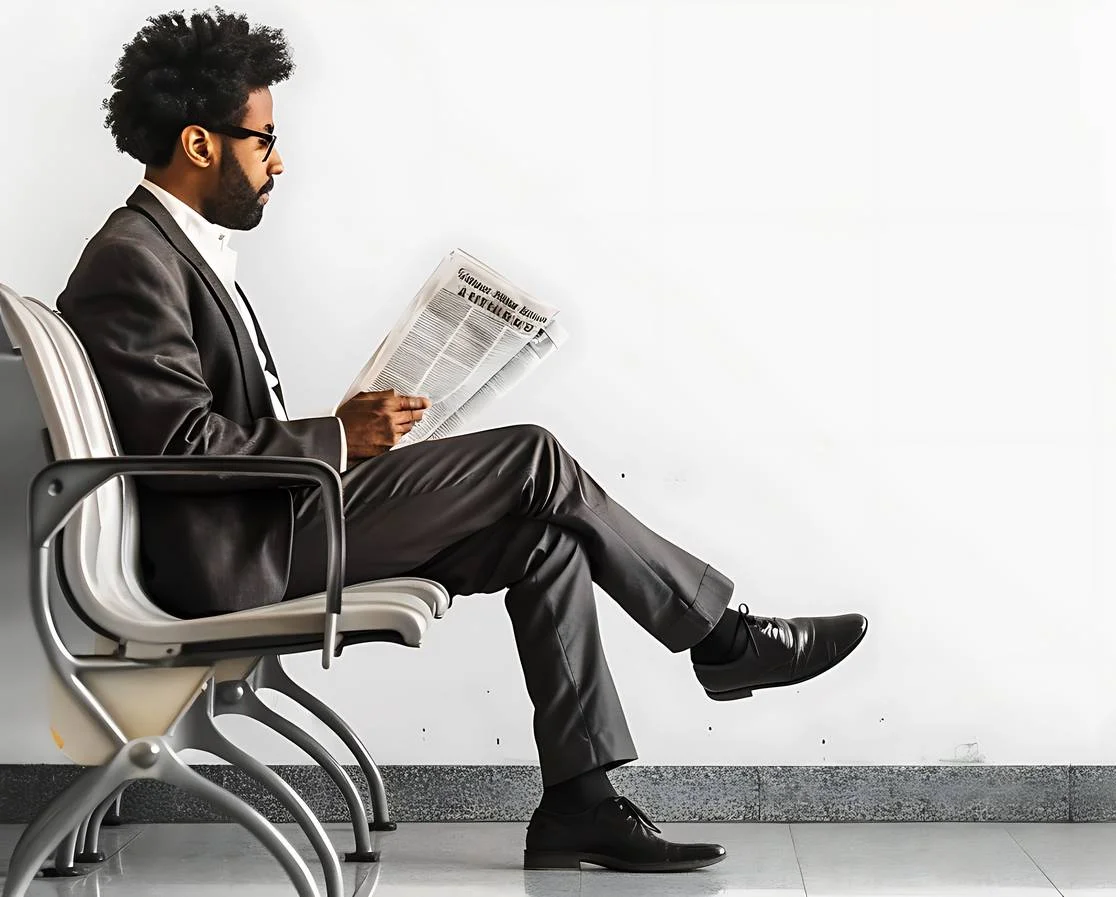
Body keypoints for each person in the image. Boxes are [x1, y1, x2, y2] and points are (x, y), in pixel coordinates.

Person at [57, 8, 868, 873]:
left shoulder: (174, 249)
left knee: (546, 541)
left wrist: (347, 432)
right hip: (236, 556)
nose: (279, 161)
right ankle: (724, 636)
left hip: (271, 524)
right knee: (533, 457)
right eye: (265, 140)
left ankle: (579, 803)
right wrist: (336, 436)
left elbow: (200, 427)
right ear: (200, 142)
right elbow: (182, 448)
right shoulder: (133, 258)